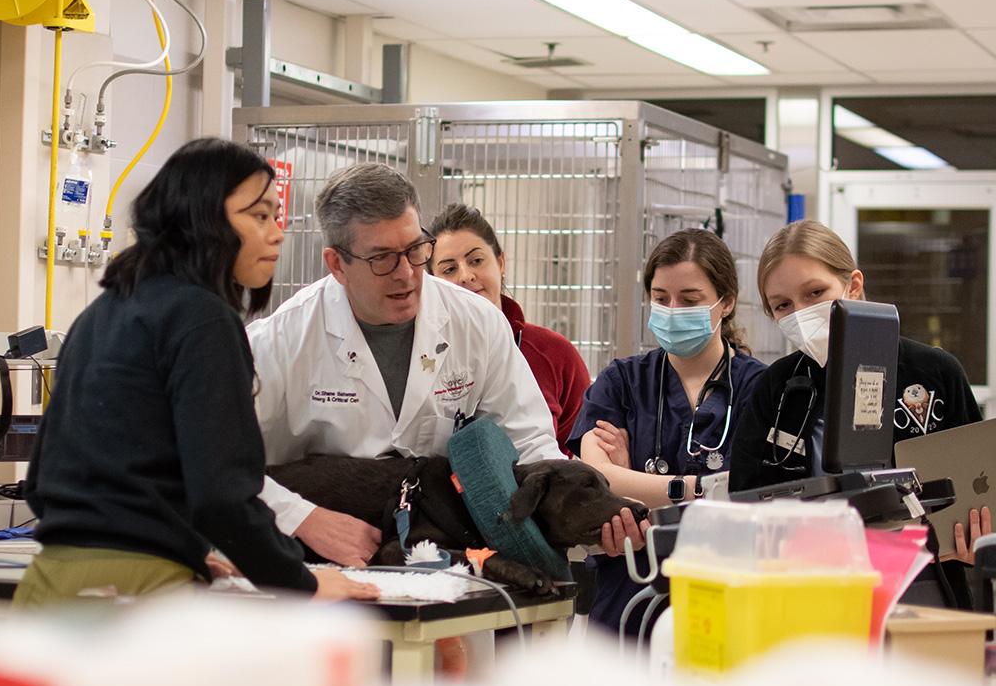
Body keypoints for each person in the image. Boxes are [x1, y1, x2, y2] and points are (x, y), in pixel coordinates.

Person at [17, 138, 378, 607]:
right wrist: (302, 582)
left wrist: (180, 548)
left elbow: (41, 481)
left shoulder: (103, 311)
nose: (277, 234)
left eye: (277, 216)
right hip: (133, 595)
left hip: (49, 583)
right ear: (201, 217)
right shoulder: (203, 318)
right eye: (259, 216)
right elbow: (223, 496)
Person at [248, 162, 645, 568]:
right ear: (337, 264)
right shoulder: (279, 341)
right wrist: (301, 517)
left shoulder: (476, 322)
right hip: (313, 561)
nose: (406, 274)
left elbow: (528, 446)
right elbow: (221, 464)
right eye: (382, 258)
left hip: (448, 558)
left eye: (415, 250)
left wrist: (592, 517)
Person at [728, 219, 986, 608]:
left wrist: (976, 539)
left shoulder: (934, 372)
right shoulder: (778, 387)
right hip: (808, 588)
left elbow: (978, 482)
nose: (801, 313)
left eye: (815, 293)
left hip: (924, 584)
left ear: (853, 285)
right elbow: (742, 502)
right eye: (783, 305)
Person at [567, 228, 767, 632]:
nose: (673, 311)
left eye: (690, 300)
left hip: (728, 596)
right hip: (626, 598)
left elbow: (751, 496)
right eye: (661, 299)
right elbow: (598, 479)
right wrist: (701, 488)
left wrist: (636, 485)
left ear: (726, 302)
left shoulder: (759, 387)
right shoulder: (621, 382)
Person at [427, 203, 590, 454]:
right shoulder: (425, 356)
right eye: (449, 269)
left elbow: (578, 452)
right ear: (432, 281)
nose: (466, 276)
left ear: (501, 262)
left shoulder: (555, 354)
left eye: (476, 260)